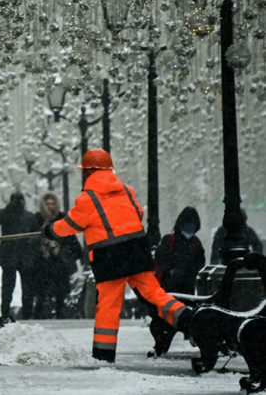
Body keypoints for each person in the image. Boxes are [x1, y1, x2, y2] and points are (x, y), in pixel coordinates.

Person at [45, 149, 193, 363]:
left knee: (108, 307)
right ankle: (189, 320)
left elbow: (70, 225)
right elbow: (137, 214)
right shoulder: (126, 190)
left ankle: (104, 356)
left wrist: (50, 231)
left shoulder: (87, 199)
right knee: (154, 293)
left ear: (88, 172)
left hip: (109, 258)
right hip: (136, 251)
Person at [148, 206, 206, 357]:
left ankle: (161, 346)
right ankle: (161, 346)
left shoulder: (194, 243)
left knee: (171, 318)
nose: (189, 230)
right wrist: (172, 272)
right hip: (170, 287)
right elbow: (161, 259)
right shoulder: (172, 240)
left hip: (184, 288)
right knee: (168, 318)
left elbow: (199, 262)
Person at [29, 191, 79, 318]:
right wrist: (44, 244)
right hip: (42, 261)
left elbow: (71, 239)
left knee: (60, 291)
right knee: (41, 292)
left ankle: (59, 312)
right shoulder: (37, 219)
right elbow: (31, 239)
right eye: (47, 204)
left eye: (52, 204)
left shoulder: (62, 218)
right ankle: (39, 314)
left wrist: (58, 246)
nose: (50, 207)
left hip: (59, 261)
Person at [0, 191, 39, 318]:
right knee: (10, 287)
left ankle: (24, 312)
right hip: (13, 255)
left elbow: (36, 234)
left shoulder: (29, 217)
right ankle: (8, 312)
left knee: (24, 287)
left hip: (20, 255)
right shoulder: (8, 215)